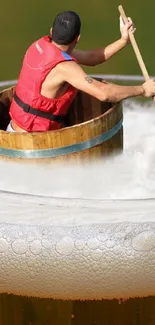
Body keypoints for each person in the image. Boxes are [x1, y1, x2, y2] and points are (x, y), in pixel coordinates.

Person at [7, 11, 155, 133]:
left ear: (52, 32)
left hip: (13, 132)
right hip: (36, 143)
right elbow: (104, 93)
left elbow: (92, 58)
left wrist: (124, 40)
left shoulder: (40, 45)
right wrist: (142, 89)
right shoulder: (65, 68)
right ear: (77, 38)